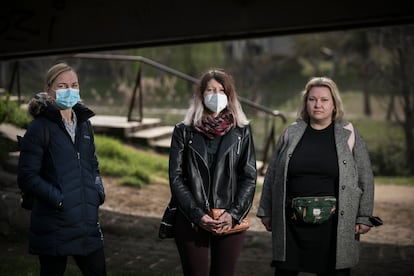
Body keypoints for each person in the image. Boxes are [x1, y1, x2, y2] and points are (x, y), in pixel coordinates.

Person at [257, 76, 375, 276]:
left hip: (334, 225)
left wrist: (364, 216)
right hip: (291, 223)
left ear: (334, 105)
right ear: (306, 103)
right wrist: (266, 210)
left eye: (324, 100)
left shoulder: (349, 134)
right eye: (312, 99)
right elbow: (273, 175)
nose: (317, 104)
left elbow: (365, 177)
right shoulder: (291, 133)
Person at [17, 62, 106, 276]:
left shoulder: (85, 125)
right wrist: (59, 199)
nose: (70, 90)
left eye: (74, 85)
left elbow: (92, 164)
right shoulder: (39, 128)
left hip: (86, 222)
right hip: (54, 224)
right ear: (49, 90)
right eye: (63, 86)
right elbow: (27, 176)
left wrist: (98, 191)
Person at [168, 68, 257, 276]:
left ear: (229, 95)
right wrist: (198, 215)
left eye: (220, 90)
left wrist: (233, 214)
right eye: (210, 90)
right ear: (200, 95)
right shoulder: (183, 130)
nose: (215, 95)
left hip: (229, 220)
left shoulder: (241, 131)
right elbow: (176, 177)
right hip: (191, 218)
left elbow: (249, 177)